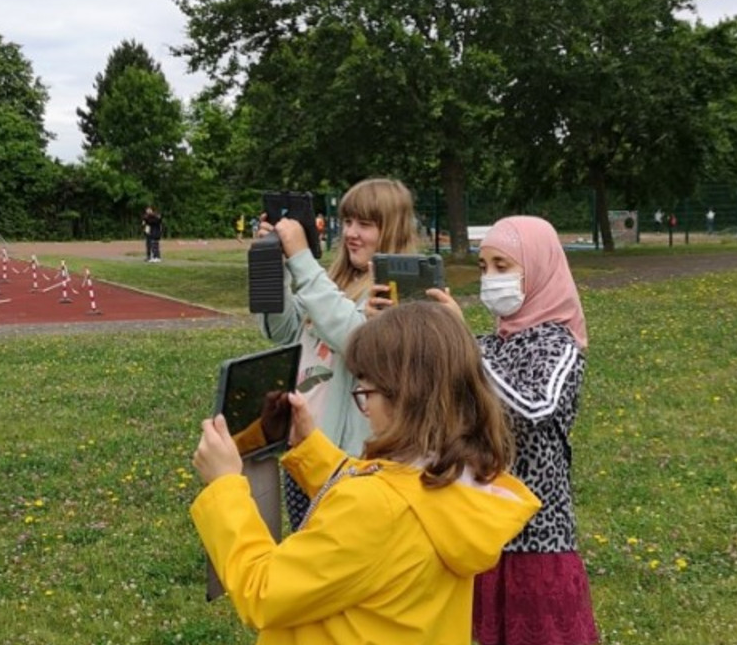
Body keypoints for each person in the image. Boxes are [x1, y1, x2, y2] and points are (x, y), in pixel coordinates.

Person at [190, 302, 541, 644]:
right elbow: (390, 488)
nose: (364, 408)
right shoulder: (456, 479)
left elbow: (264, 592)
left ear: (405, 398)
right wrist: (308, 447)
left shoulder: (374, 508)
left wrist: (225, 487)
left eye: (366, 392)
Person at [435, 216, 600, 645]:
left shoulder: (559, 343)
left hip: (539, 537)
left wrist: (465, 349)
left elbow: (533, 407)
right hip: (484, 533)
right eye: (484, 266)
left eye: (503, 267)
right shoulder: (491, 344)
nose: (490, 278)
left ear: (539, 269)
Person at [255, 178, 419, 528]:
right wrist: (272, 267)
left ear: (392, 229)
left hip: (350, 461)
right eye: (347, 222)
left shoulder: (397, 292)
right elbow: (281, 330)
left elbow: (355, 341)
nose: (351, 234)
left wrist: (301, 258)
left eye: (365, 224)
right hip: (306, 449)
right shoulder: (334, 283)